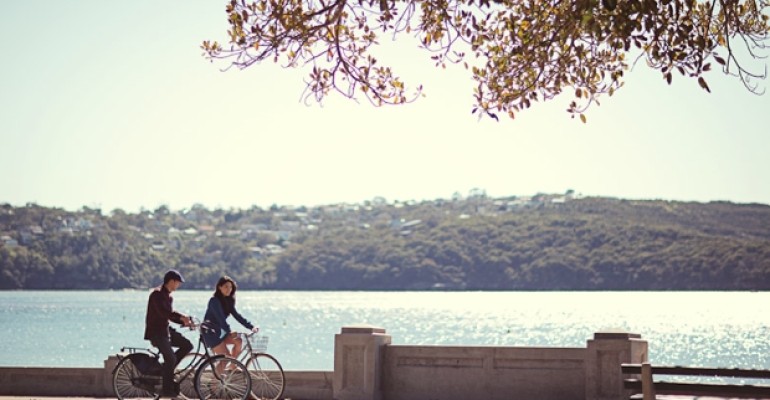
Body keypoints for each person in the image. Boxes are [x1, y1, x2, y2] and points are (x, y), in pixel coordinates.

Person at [144, 269, 193, 398]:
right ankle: (167, 390)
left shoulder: (168, 296)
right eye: (178, 283)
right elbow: (164, 313)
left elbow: (170, 316)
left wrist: (185, 322)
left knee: (187, 345)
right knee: (171, 358)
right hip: (156, 332)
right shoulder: (157, 294)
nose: (179, 285)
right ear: (171, 281)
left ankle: (166, 371)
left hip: (166, 330)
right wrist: (182, 317)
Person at [202, 275, 259, 360]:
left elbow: (237, 316)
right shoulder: (214, 301)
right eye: (226, 287)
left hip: (219, 332)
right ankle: (220, 371)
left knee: (239, 341)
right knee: (225, 359)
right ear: (219, 287)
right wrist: (229, 331)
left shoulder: (229, 301)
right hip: (211, 333)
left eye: (230, 287)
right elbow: (220, 319)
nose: (229, 289)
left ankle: (232, 367)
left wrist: (251, 327)